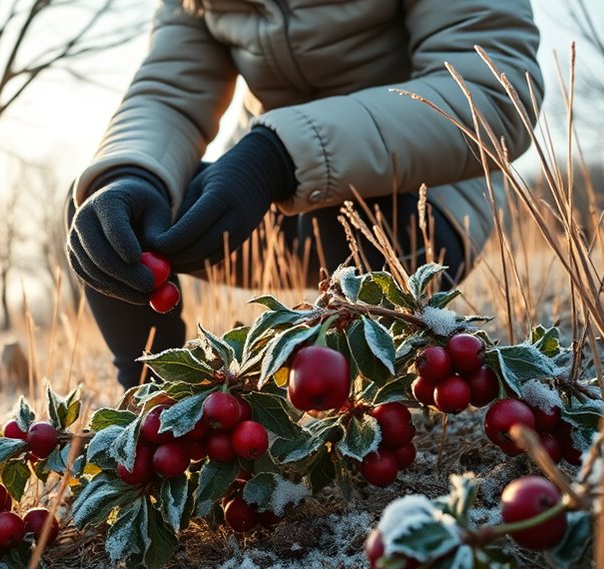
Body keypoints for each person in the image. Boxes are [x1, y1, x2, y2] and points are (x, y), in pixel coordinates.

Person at [66, 0, 543, 389]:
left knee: (348, 218)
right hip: (268, 188)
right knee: (109, 213)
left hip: (423, 198)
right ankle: (156, 404)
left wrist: (279, 154)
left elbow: (495, 92)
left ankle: (366, 389)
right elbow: (167, 94)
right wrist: (132, 174)